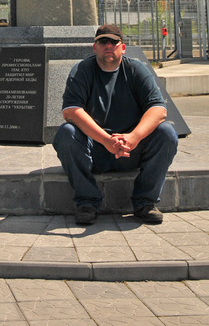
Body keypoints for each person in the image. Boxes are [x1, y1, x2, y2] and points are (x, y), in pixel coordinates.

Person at [53, 23, 178, 226]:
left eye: (114, 42)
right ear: (95, 47)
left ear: (123, 47)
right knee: (66, 133)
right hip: (95, 150)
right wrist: (106, 140)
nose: (108, 46)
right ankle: (87, 202)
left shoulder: (136, 69)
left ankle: (145, 203)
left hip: (131, 149)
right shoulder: (83, 70)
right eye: (103, 42)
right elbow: (71, 111)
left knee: (167, 133)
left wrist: (133, 137)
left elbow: (158, 110)